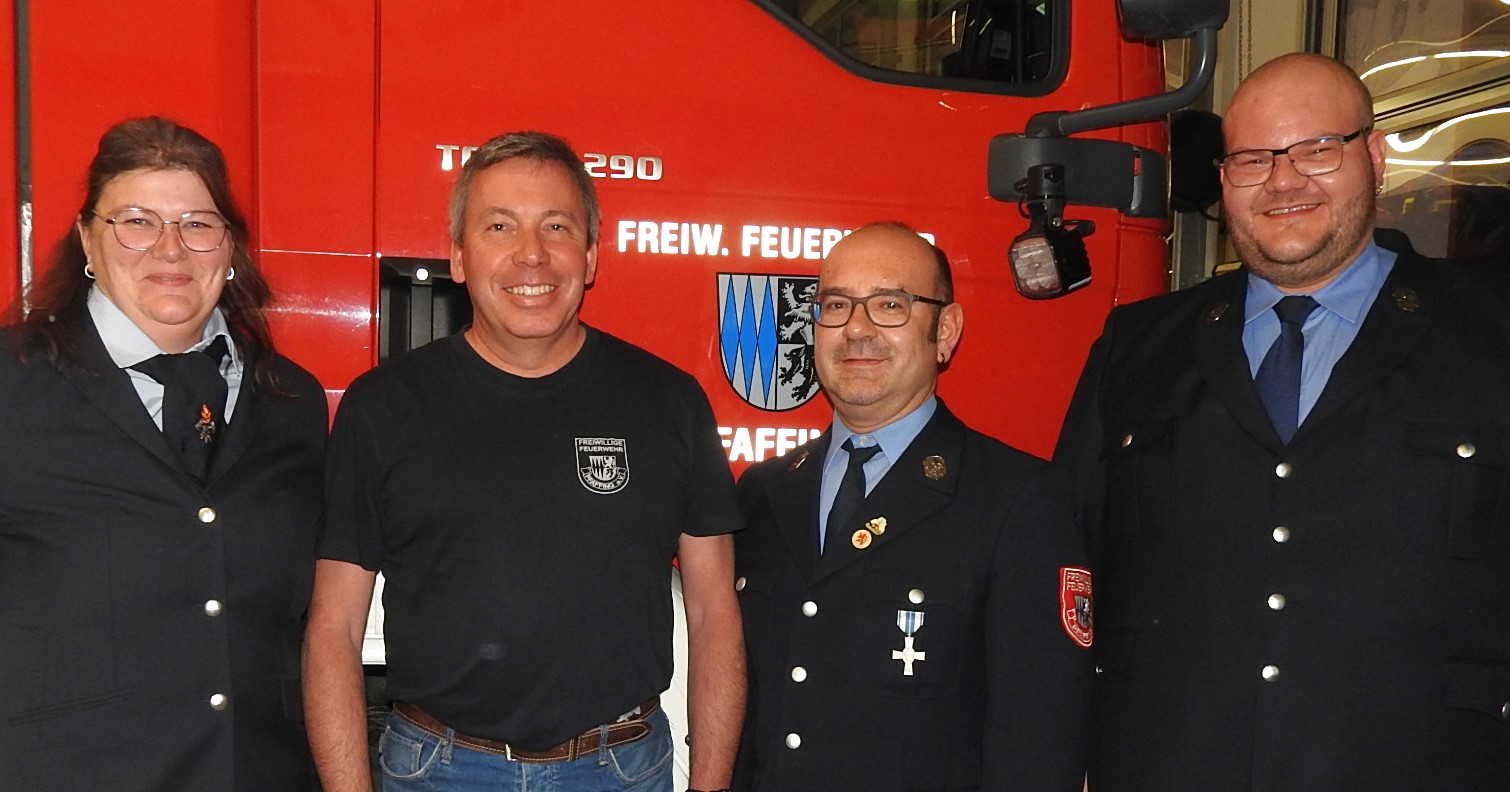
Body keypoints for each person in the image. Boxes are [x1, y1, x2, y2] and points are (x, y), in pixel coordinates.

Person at [1055, 53, 1510, 791]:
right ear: (1223, 179)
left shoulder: (1491, 337)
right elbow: (1066, 570)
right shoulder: (1136, 348)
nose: (1283, 181)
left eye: (1317, 150)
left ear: (1374, 157)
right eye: (1253, 159)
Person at [304, 130, 745, 792]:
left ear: (590, 257)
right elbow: (333, 630)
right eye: (499, 226)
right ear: (459, 257)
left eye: (557, 226)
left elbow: (715, 615)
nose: (531, 254)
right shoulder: (383, 408)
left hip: (622, 772)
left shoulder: (671, 402)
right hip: (437, 774)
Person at [0, 117, 327, 789]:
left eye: (198, 224)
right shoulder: (11, 382)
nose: (170, 249)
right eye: (137, 222)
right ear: (88, 238)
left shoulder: (291, 400)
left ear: (230, 247)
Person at [733, 222, 1094, 791]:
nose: (857, 329)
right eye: (836, 305)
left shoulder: (1018, 500)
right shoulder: (763, 492)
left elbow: (1040, 737)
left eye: (890, 305)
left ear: (944, 331)